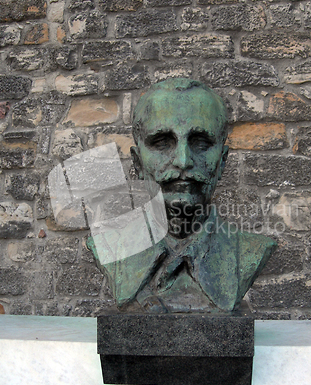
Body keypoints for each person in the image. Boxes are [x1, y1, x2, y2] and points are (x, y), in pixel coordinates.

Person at [87, 78, 277, 313]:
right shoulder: (110, 247)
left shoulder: (250, 251)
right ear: (137, 162)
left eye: (200, 143)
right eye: (162, 143)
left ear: (223, 162)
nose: (183, 161)